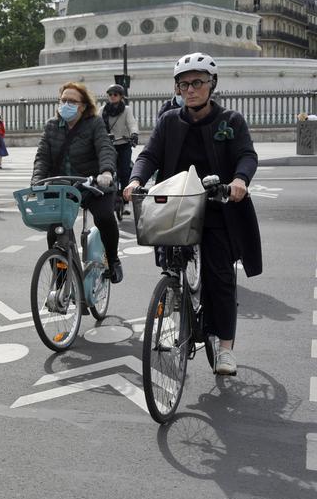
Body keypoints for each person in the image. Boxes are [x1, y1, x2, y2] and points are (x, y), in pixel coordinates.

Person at [124, 52, 262, 377]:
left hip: (217, 207)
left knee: (221, 277)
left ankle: (225, 348)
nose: (189, 90)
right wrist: (135, 180)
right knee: (170, 265)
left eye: (197, 82)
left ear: (212, 84)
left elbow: (247, 155)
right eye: (183, 84)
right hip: (177, 207)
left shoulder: (231, 121)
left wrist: (239, 180)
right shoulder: (169, 121)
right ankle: (175, 299)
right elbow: (149, 155)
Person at [32, 81, 122, 283]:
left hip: (92, 184)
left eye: (72, 101)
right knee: (55, 231)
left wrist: (106, 172)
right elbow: (42, 157)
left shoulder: (94, 123)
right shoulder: (52, 126)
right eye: (63, 100)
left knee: (105, 217)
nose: (66, 104)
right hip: (63, 188)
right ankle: (61, 280)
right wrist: (37, 181)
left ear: (83, 106)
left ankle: (113, 259)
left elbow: (105, 148)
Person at [101, 84, 139, 213]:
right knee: (107, 172)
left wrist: (134, 134)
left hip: (123, 143)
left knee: (124, 172)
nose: (112, 96)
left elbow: (132, 123)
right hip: (109, 145)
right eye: (110, 94)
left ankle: (126, 202)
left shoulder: (126, 110)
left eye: (115, 94)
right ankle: (108, 199)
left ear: (121, 96)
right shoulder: (102, 110)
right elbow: (97, 125)